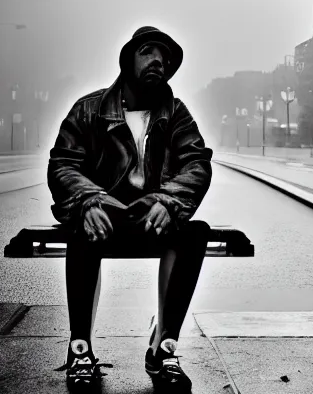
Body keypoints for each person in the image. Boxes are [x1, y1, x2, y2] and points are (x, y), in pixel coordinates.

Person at [48, 26, 213, 390]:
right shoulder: (89, 109)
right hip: (104, 213)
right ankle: (80, 348)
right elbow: (63, 163)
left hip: (152, 216)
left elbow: (197, 163)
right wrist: (88, 200)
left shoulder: (176, 113)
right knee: (82, 227)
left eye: (165, 58)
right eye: (149, 52)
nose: (159, 61)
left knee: (194, 234)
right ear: (128, 60)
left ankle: (164, 347)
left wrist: (168, 201)